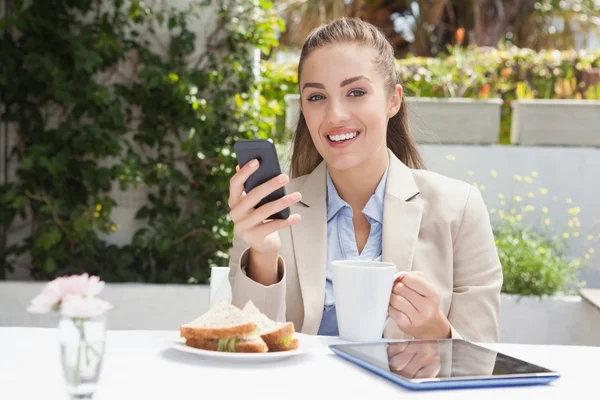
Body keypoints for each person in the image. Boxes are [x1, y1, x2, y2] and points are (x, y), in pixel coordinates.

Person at [227, 17, 502, 342]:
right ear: (303, 107)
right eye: (316, 97)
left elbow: (481, 358)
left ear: (393, 100)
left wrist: (435, 331)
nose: (336, 115)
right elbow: (248, 343)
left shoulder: (459, 208)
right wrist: (262, 254)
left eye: (356, 92)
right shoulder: (270, 212)